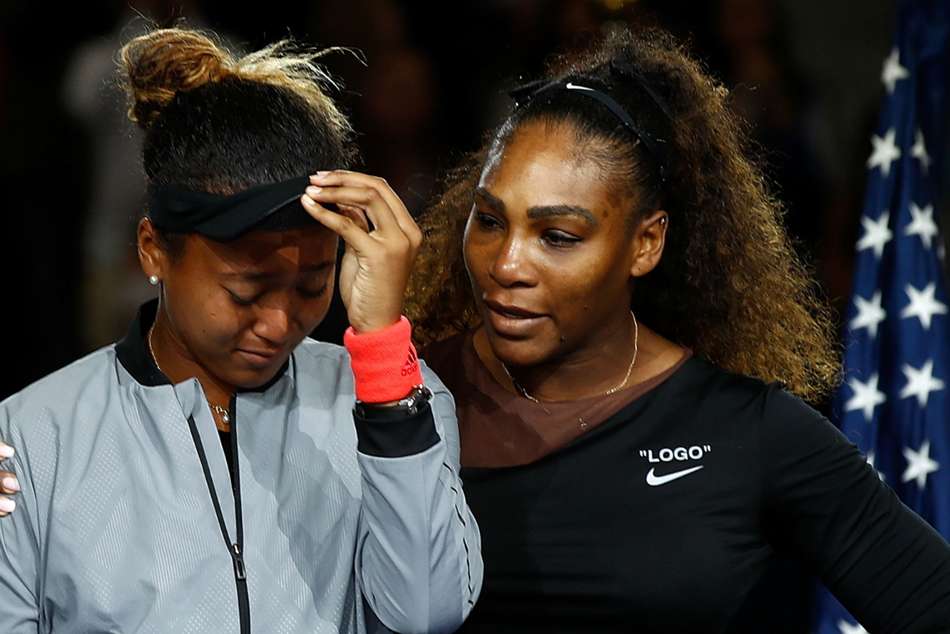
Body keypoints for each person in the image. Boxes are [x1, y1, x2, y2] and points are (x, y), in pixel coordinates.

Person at [408, 27, 950, 633]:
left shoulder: (752, 433)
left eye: (557, 236)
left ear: (646, 242)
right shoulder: (404, 397)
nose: (506, 264)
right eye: (488, 221)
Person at [0, 28, 481, 633]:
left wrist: (385, 364)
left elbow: (427, 613)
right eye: (245, 291)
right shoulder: (32, 437)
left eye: (311, 286)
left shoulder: (396, 400)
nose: (280, 323)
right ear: (154, 250)